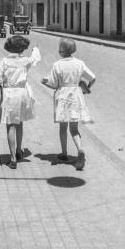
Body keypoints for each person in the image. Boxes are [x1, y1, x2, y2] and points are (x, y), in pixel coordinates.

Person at [41, 38, 95, 170]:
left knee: (63, 128)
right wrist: (86, 87)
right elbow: (93, 77)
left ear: (62, 50)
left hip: (63, 95)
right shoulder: (80, 63)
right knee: (74, 129)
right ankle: (80, 150)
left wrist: (44, 82)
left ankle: (64, 154)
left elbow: (53, 84)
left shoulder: (57, 65)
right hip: (76, 94)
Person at [0, 36, 41, 169]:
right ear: (22, 48)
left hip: (9, 94)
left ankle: (13, 158)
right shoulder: (25, 61)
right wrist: (35, 49)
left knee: (11, 126)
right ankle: (19, 150)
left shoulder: (4, 62)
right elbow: (34, 58)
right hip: (22, 94)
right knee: (20, 123)